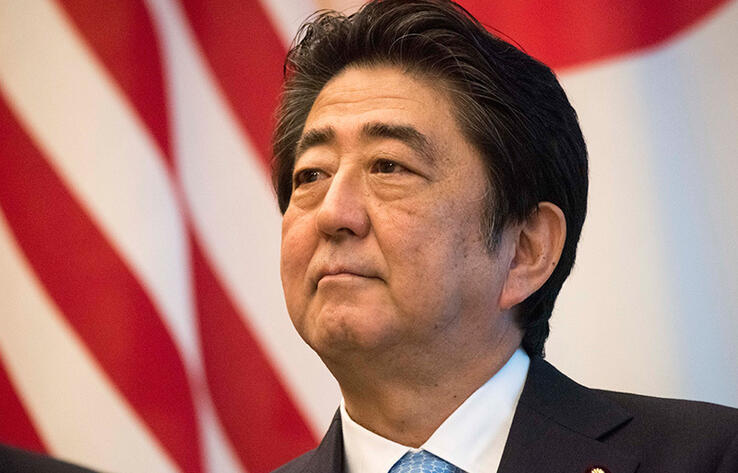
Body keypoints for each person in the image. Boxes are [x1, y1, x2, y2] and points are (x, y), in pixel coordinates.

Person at [271, 1, 738, 472]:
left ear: (525, 251)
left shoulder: (712, 456)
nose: (333, 213)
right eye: (311, 175)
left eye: (389, 166)